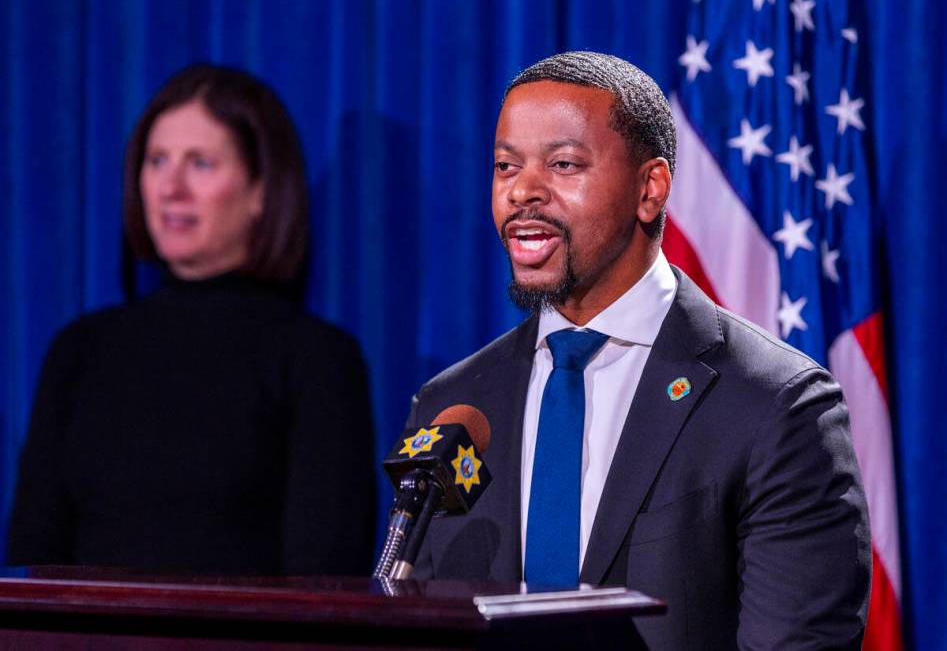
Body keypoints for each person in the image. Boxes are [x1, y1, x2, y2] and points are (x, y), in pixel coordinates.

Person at [406, 52, 870, 649]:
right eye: (504, 166)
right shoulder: (454, 407)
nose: (522, 190)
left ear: (650, 188)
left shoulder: (775, 406)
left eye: (563, 163)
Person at [8, 65, 376, 576]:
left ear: (260, 192)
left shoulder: (317, 358)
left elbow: (326, 578)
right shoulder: (79, 349)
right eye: (157, 160)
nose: (170, 187)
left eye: (200, 163)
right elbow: (33, 559)